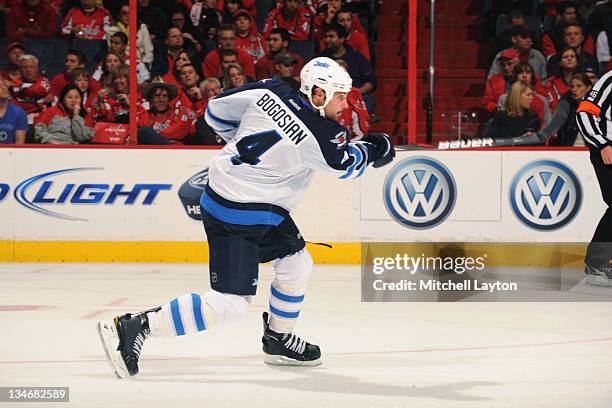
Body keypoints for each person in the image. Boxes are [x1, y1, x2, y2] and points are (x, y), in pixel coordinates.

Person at [97, 57, 396, 378]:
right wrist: (377, 146)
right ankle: (134, 327)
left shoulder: (272, 90)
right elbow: (346, 165)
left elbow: (214, 111)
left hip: (252, 203)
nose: (346, 103)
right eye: (340, 95)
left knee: (296, 263)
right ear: (318, 94)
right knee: (231, 303)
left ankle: (278, 338)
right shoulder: (322, 133)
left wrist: (242, 143)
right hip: (239, 213)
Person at [575, 70, 612, 282]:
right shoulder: (610, 80)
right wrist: (602, 144)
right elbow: (584, 112)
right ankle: (596, 263)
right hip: (607, 150)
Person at [537, 72, 592, 146]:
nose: (574, 89)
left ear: (588, 88)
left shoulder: (597, 105)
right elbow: (552, 129)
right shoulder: (565, 104)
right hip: (568, 148)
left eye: (579, 86)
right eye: (572, 86)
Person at [137, 78, 194, 144]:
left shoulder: (179, 113)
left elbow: (180, 132)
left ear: (169, 98)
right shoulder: (143, 115)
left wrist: (152, 135)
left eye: (165, 96)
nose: (161, 100)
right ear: (151, 98)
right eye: (157, 96)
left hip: (173, 151)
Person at [0, 79, 27, 144]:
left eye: (6, 86)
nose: (4, 88)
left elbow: (19, 143)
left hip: (10, 153)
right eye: (0, 87)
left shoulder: (19, 113)